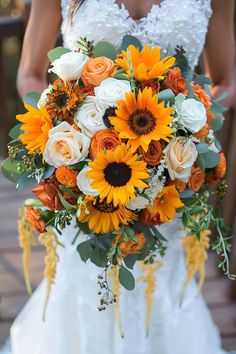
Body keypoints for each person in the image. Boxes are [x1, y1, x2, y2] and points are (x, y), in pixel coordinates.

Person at [2, 1, 236, 354]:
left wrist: (186, 125)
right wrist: (67, 132)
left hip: (167, 178)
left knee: (161, 285)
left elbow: (226, 81)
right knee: (85, 283)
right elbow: (31, 75)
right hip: (84, 174)